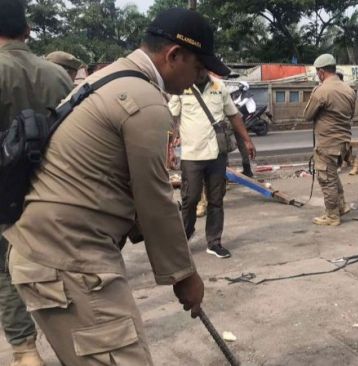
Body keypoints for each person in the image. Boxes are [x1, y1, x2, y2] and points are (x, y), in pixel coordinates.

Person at [3, 8, 225, 364]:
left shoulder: (108, 78)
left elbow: (116, 181)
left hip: (47, 249)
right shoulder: (146, 101)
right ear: (174, 56)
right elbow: (156, 202)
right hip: (67, 257)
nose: (197, 79)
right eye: (198, 68)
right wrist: (185, 276)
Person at [0, 1, 72, 365]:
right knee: (56, 264)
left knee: (5, 271)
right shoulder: (58, 75)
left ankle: (26, 350)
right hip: (53, 191)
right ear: (27, 31)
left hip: (3, 195)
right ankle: (71, 337)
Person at [169, 71, 255, 259]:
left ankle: (214, 242)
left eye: (202, 66)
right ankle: (185, 236)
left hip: (217, 154)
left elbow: (233, 115)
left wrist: (247, 140)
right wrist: (169, 147)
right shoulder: (180, 86)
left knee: (216, 200)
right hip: (191, 155)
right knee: (190, 199)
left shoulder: (219, 86)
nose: (198, 70)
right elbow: (171, 118)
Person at [304, 53, 356, 226]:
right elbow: (351, 114)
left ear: (321, 72)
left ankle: (332, 215)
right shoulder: (349, 90)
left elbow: (308, 115)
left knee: (326, 179)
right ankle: (341, 205)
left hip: (327, 143)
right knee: (332, 176)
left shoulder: (322, 91)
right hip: (343, 142)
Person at [231, 81, 256, 177]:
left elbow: (240, 104)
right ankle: (247, 170)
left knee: (239, 144)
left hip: (242, 117)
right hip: (239, 119)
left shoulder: (246, 94)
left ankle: (247, 170)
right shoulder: (239, 94)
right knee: (241, 144)